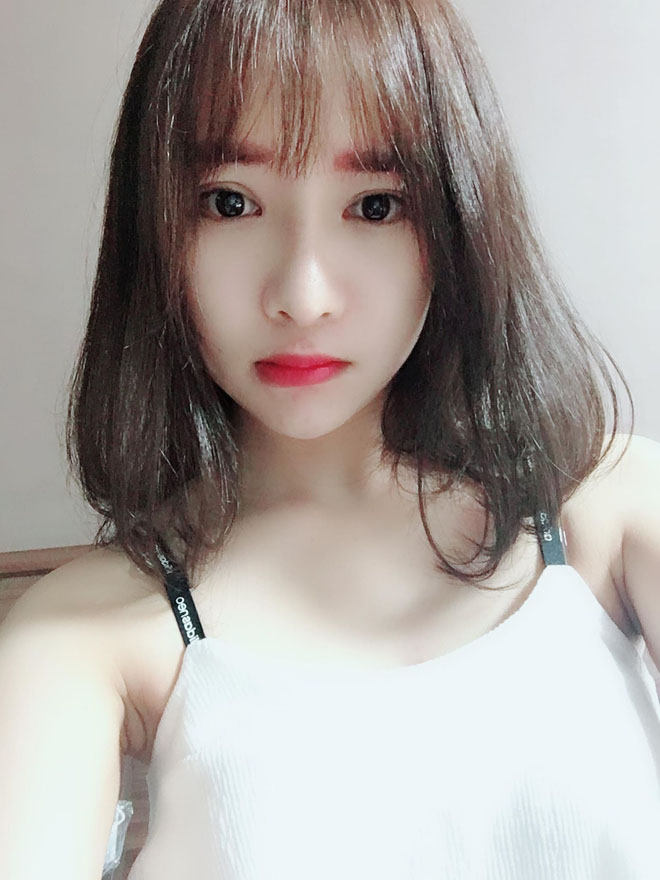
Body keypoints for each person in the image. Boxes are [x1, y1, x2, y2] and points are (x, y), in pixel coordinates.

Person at [1, 0, 660, 878]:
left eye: (376, 205)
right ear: (154, 231)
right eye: (230, 202)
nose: (303, 296)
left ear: (459, 224)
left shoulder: (608, 509)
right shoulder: (85, 634)